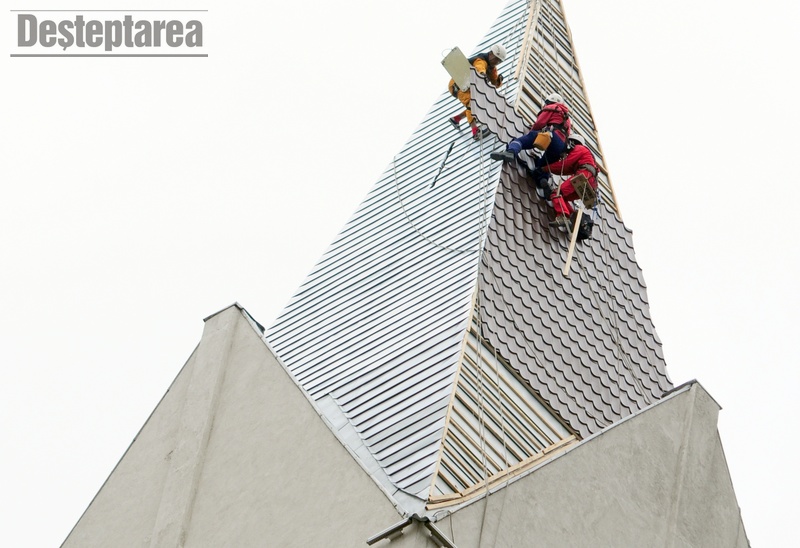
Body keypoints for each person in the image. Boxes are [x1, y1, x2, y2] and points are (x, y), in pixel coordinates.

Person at [490, 92, 571, 167]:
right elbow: (567, 133)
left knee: (520, 141)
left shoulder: (552, 107)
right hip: (561, 146)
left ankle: (511, 152)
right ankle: (540, 175)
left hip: (551, 136)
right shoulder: (567, 119)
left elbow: (540, 123)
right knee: (544, 166)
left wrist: (532, 131)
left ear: (549, 101)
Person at [536, 133, 598, 226]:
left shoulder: (579, 148)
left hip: (583, 176)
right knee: (563, 197)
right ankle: (573, 218)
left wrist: (544, 168)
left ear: (572, 142)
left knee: (556, 193)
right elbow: (566, 169)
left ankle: (562, 216)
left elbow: (565, 164)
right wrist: (549, 169)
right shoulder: (586, 156)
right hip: (590, 183)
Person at [448, 44, 507, 140]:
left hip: (467, 85)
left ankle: (456, 119)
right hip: (458, 85)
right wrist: (482, 74)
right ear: (491, 54)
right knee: (472, 104)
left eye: (499, 61)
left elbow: (494, 82)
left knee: (479, 103)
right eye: (496, 59)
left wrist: (498, 81)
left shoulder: (492, 68)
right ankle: (475, 132)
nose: (497, 62)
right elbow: (480, 68)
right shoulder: (481, 60)